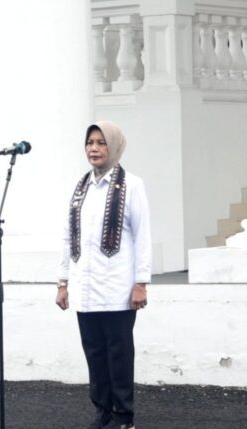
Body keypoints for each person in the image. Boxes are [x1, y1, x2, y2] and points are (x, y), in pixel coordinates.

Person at [56, 121, 151, 429]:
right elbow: (68, 237)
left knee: (119, 356)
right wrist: (62, 282)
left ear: (114, 146)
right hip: (85, 289)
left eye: (101, 142)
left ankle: (124, 417)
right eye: (90, 143)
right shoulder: (79, 187)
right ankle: (102, 412)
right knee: (95, 355)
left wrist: (141, 283)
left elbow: (142, 236)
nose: (94, 148)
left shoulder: (132, 185)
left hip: (118, 290)